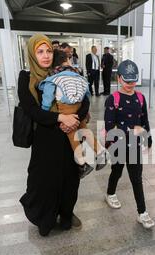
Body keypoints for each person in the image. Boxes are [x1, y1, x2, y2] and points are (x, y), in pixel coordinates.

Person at [18, 34, 88, 237]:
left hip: (69, 136)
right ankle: (45, 218)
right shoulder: (27, 77)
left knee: (70, 179)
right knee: (43, 181)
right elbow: (31, 109)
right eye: (40, 51)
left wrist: (74, 120)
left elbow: (84, 100)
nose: (46, 56)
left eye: (48, 51)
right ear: (32, 54)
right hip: (45, 139)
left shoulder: (63, 71)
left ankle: (66, 214)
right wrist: (60, 118)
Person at [39, 50, 107, 178]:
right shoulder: (77, 74)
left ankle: (82, 164)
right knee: (84, 130)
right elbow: (87, 93)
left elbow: (47, 98)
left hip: (65, 107)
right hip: (79, 105)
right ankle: (101, 152)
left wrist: (45, 110)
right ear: (67, 60)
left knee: (72, 134)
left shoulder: (54, 77)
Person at [104, 60, 155, 229]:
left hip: (133, 145)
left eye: (133, 80)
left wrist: (148, 137)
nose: (130, 84)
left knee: (136, 179)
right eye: (127, 80)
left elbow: (144, 120)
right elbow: (110, 127)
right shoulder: (113, 99)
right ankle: (110, 193)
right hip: (117, 144)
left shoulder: (140, 98)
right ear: (119, 78)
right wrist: (130, 130)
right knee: (116, 172)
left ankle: (142, 213)